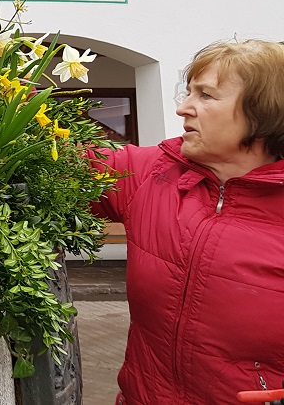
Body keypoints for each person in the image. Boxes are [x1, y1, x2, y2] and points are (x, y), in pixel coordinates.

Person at [91, 39, 284, 405]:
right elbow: (52, 162)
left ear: (263, 113)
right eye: (189, 93)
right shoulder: (154, 173)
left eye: (206, 96)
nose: (183, 108)